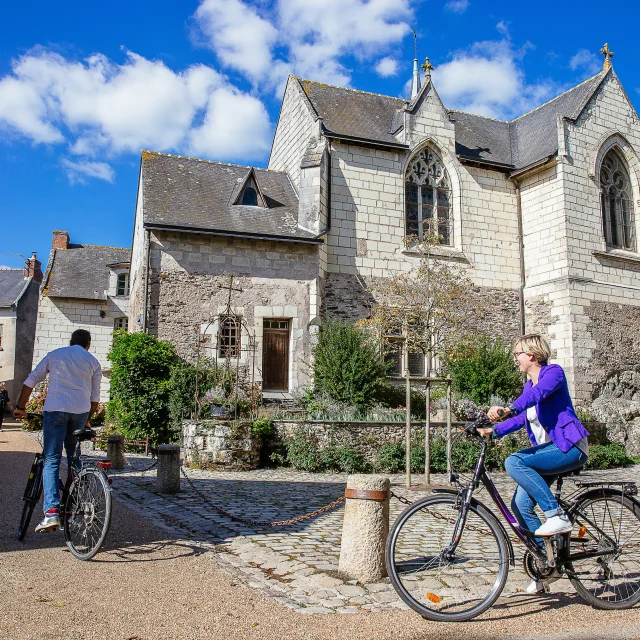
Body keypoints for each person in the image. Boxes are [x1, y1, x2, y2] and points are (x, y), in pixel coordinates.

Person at [477, 334, 589, 592]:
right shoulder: (528, 387)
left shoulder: (553, 374)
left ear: (532, 355)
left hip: (570, 447)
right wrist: (494, 430)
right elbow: (522, 417)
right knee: (520, 504)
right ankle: (547, 564)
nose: (515, 358)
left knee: (514, 462)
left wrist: (508, 408)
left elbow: (537, 396)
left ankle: (555, 515)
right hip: (551, 451)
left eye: (518, 354)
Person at [14, 329, 101, 533]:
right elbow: (94, 399)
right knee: (73, 454)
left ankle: (51, 512)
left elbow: (31, 381)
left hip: (56, 409)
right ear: (88, 345)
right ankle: (80, 498)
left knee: (52, 458)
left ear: (71, 342)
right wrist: (87, 421)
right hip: (80, 411)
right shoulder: (92, 362)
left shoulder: (55, 355)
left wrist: (21, 406)